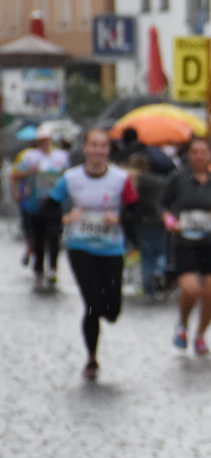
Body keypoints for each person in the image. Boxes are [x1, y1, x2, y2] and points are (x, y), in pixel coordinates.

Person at [50, 130, 137, 380]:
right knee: (91, 305)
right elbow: (48, 208)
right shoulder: (71, 178)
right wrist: (64, 218)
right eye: (93, 145)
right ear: (85, 148)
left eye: (103, 146)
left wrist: (119, 218)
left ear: (108, 150)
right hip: (80, 248)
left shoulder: (121, 179)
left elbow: (136, 211)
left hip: (111, 249)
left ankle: (107, 311)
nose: (98, 150)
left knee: (112, 309)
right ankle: (91, 358)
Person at [160, 137, 211, 356]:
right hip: (185, 242)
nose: (200, 156)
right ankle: (182, 323)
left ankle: (201, 334)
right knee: (191, 289)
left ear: (210, 155)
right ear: (189, 155)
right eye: (195, 152)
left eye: (204, 152)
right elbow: (162, 205)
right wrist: (170, 221)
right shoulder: (178, 179)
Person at [14, 130, 70, 290]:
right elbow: (16, 174)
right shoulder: (29, 157)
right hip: (35, 205)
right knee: (38, 238)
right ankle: (39, 268)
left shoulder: (61, 157)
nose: (44, 143)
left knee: (54, 237)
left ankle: (52, 268)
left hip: (55, 204)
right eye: (41, 140)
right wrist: (27, 176)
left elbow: (68, 176)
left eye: (47, 140)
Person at [126, 150, 170, 298]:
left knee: (147, 256)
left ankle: (148, 288)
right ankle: (160, 272)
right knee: (161, 253)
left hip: (142, 221)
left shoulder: (132, 182)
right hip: (159, 220)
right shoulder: (158, 180)